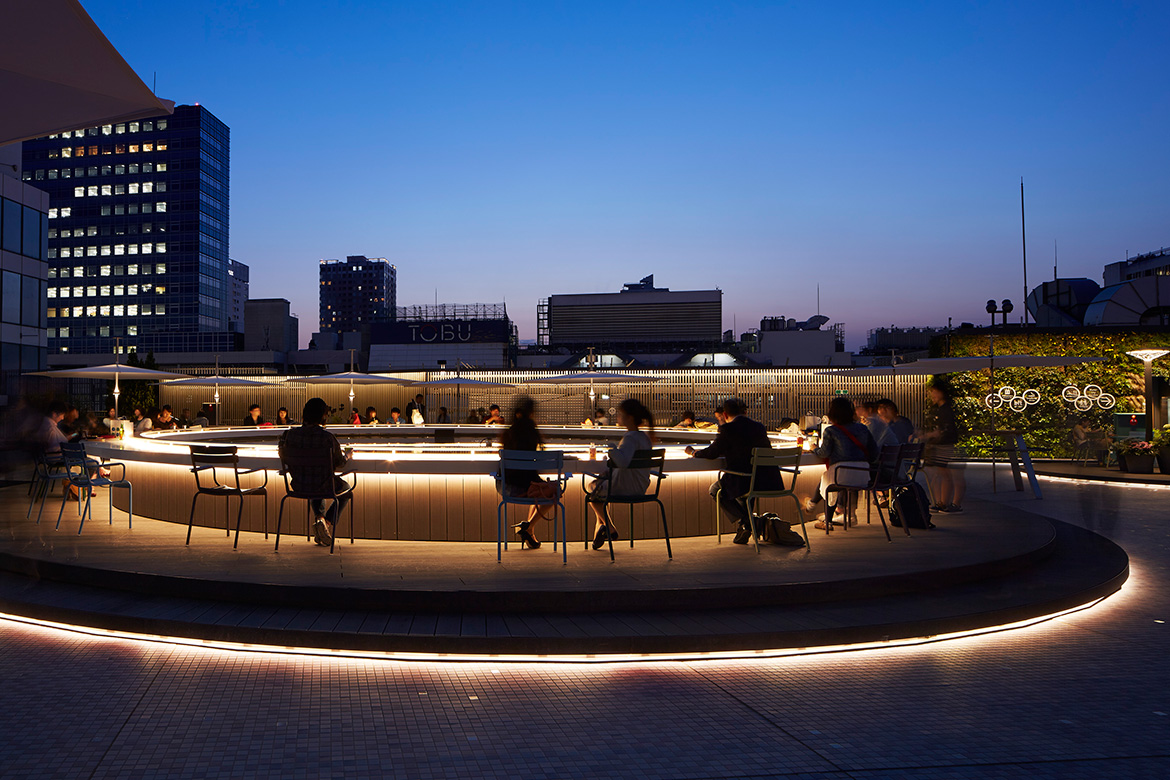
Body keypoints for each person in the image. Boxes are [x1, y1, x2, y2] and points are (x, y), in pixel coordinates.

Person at [686, 398, 805, 546]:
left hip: (745, 480)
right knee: (745, 492)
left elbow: (712, 452)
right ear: (746, 412)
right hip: (768, 480)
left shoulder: (728, 429)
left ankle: (750, 522)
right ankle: (747, 525)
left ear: (725, 414)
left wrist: (693, 453)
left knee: (715, 489)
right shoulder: (759, 427)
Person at [278, 397, 354, 548]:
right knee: (346, 490)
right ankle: (326, 522)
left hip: (299, 485)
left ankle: (320, 518)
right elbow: (339, 463)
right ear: (323, 416)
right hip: (323, 485)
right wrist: (348, 455)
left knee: (314, 482)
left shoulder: (290, 435)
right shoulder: (327, 438)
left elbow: (283, 455)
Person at [584, 398, 655, 549]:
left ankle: (610, 528)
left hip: (624, 487)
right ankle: (601, 529)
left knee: (592, 491)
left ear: (629, 417)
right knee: (601, 491)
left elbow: (623, 462)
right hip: (640, 487)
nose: (618, 417)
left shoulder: (629, 438)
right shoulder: (644, 438)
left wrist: (612, 450)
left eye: (620, 414)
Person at [802, 396, 878, 529]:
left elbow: (824, 453)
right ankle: (844, 515)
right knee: (832, 478)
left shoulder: (831, 430)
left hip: (842, 474)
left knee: (829, 481)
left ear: (832, 413)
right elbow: (874, 452)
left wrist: (814, 448)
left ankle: (826, 520)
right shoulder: (863, 428)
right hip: (864, 475)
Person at [497, 396, 557, 548]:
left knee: (537, 487)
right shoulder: (532, 432)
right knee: (554, 492)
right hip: (526, 487)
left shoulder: (509, 432)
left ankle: (529, 531)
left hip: (505, 487)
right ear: (531, 413)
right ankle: (529, 526)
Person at [923, 379, 965, 514]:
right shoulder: (940, 409)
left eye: (935, 392)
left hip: (948, 444)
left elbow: (943, 429)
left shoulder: (947, 410)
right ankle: (943, 503)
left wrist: (926, 435)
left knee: (950, 475)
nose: (932, 395)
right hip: (943, 444)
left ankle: (953, 504)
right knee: (942, 474)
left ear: (943, 392)